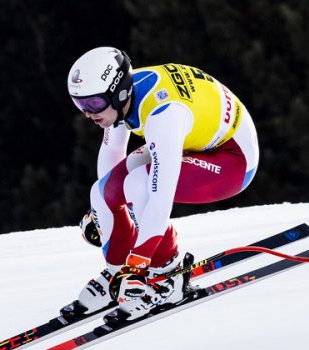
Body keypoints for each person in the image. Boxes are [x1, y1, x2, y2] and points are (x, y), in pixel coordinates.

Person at [62, 47, 259, 324]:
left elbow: (160, 198)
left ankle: (170, 275)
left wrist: (139, 261)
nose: (87, 114)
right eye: (80, 105)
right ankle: (117, 274)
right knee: (100, 193)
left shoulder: (162, 115)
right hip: (193, 140)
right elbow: (110, 165)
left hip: (232, 159)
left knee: (139, 183)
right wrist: (103, 216)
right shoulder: (120, 99)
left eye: (93, 104)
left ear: (117, 93)